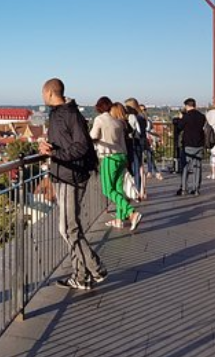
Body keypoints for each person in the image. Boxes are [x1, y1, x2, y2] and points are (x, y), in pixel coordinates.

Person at [39, 78, 110, 291]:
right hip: (65, 174)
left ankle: (96, 268)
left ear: (49, 93)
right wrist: (50, 148)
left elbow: (81, 146)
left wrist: (54, 154)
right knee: (70, 227)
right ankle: (81, 276)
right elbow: (67, 143)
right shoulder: (61, 114)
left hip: (71, 176)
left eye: (43, 93)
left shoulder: (69, 114)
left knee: (68, 228)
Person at [90, 96, 141, 230]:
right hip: (121, 156)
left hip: (109, 157)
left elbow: (93, 136)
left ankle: (131, 212)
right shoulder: (118, 122)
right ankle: (119, 218)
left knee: (107, 189)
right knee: (118, 189)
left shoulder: (100, 119)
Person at [176, 98, 205, 195]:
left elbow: (179, 127)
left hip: (188, 144)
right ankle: (196, 189)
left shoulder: (186, 116)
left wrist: (180, 118)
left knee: (185, 167)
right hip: (199, 144)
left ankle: (184, 188)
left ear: (187, 106)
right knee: (197, 167)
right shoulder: (202, 116)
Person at [125, 98, 148, 199]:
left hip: (134, 143)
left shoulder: (132, 117)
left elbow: (132, 130)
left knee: (135, 168)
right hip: (141, 142)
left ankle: (137, 191)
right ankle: (142, 190)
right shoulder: (142, 116)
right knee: (140, 167)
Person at [140, 104, 162, 181]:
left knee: (149, 156)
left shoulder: (148, 120)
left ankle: (152, 171)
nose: (143, 111)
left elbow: (151, 130)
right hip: (140, 140)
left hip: (147, 140)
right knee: (143, 157)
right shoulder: (139, 119)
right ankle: (153, 172)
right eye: (141, 110)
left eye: (144, 110)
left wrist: (156, 137)